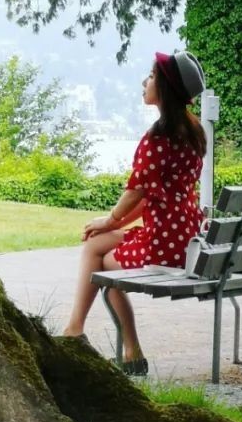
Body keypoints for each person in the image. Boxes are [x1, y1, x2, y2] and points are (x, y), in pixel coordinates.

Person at [61, 50, 206, 375]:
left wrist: (110, 220)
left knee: (104, 267)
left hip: (163, 243)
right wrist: (108, 224)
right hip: (185, 235)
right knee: (96, 244)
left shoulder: (157, 139)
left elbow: (137, 192)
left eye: (152, 76)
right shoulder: (194, 133)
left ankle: (81, 333)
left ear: (165, 89)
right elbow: (152, 197)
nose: (145, 81)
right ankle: (123, 349)